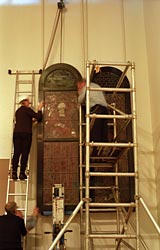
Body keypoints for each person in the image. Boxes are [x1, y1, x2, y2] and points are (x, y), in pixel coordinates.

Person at [12, 97, 44, 180]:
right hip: (26, 134)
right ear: (24, 102)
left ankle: (14, 173)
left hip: (17, 134)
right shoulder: (27, 110)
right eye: (28, 101)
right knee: (25, 153)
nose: (29, 103)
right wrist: (39, 109)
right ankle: (22, 173)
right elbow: (38, 117)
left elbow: (23, 120)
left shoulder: (18, 111)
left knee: (16, 153)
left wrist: (30, 121)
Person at [77, 78, 108, 156]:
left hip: (96, 109)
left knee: (95, 132)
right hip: (105, 110)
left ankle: (95, 152)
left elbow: (80, 100)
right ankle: (104, 149)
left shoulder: (87, 87)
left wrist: (79, 93)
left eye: (79, 87)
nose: (79, 88)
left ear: (82, 83)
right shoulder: (96, 86)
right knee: (103, 131)